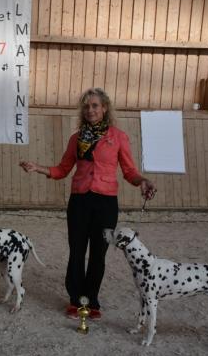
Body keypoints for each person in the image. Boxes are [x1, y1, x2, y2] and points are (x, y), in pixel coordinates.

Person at [20, 87, 156, 320]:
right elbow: (63, 169)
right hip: (80, 201)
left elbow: (129, 171)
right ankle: (75, 301)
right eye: (86, 106)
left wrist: (142, 181)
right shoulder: (76, 139)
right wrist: (38, 168)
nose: (90, 110)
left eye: (95, 105)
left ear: (104, 108)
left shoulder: (118, 137)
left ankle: (91, 301)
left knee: (98, 254)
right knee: (76, 252)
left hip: (106, 203)